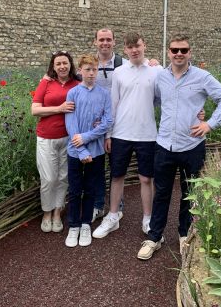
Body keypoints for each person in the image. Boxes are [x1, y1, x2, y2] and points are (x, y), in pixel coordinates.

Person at [137, 34, 221, 260]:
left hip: (192, 145)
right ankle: (154, 237)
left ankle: (185, 234)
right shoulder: (161, 77)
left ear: (190, 53)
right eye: (174, 50)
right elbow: (158, 101)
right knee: (161, 193)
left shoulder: (202, 77)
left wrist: (209, 123)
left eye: (183, 50)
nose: (179, 54)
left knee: (190, 194)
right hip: (164, 145)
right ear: (168, 52)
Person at [93, 32, 164, 239]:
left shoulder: (156, 71)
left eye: (138, 46)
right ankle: (113, 216)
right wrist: (108, 134)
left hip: (147, 134)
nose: (134, 50)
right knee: (116, 176)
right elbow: (113, 104)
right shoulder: (119, 72)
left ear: (144, 46)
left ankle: (148, 219)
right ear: (124, 49)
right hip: (120, 134)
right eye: (130, 47)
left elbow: (163, 98)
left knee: (145, 178)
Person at [64, 54, 112, 247]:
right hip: (75, 152)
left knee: (91, 189)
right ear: (80, 71)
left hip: (97, 151)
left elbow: (108, 121)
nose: (91, 73)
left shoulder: (104, 94)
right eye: (87, 69)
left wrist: (86, 137)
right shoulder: (73, 93)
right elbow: (70, 122)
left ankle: (86, 224)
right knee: (75, 190)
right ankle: (74, 225)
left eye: (94, 69)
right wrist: (81, 149)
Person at [31, 51, 80, 233]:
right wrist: (59, 108)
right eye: (58, 63)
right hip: (46, 137)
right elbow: (35, 110)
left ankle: (58, 212)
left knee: (62, 177)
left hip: (68, 138)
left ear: (70, 64)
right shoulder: (46, 83)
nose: (62, 66)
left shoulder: (77, 83)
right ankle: (46, 212)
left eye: (65, 63)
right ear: (53, 66)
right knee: (49, 178)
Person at [92, 28, 126, 222]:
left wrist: (154, 64)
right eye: (101, 39)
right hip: (95, 127)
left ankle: (117, 207)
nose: (105, 43)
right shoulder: (88, 65)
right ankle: (98, 205)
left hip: (118, 126)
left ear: (114, 42)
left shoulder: (123, 65)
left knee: (116, 169)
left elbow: (145, 70)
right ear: (95, 42)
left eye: (108, 40)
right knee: (96, 168)